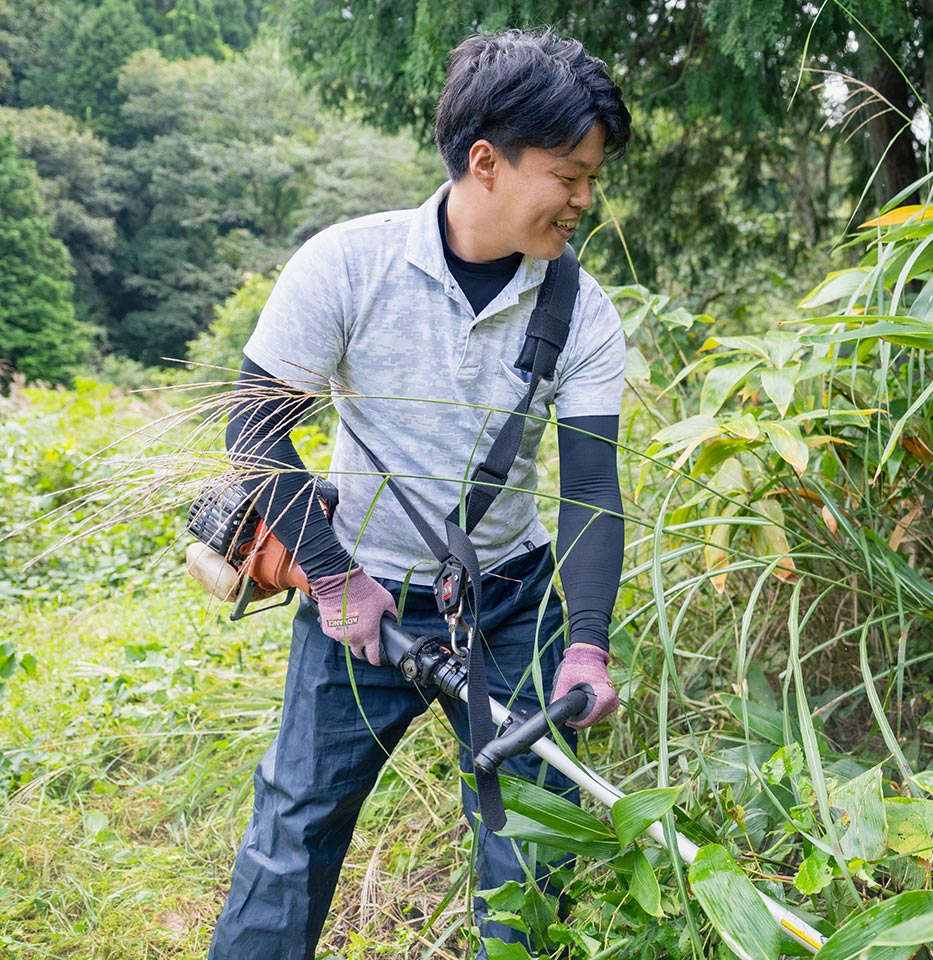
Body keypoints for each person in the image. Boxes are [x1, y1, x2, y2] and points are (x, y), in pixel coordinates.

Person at [207, 30, 631, 960]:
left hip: (511, 608)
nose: (584, 201)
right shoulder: (347, 265)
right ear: (488, 162)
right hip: (357, 602)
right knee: (293, 839)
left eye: (592, 179)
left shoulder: (581, 309)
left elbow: (592, 489)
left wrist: (587, 646)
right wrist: (330, 575)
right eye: (569, 176)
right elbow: (251, 427)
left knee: (529, 856)